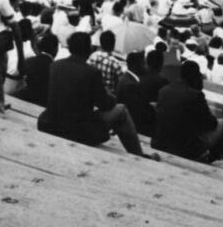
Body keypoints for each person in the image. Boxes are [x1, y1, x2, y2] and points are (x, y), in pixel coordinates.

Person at [37, 30, 155, 159]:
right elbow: (105, 105)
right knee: (121, 110)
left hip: (51, 124)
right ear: (88, 50)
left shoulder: (55, 66)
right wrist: (109, 93)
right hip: (77, 131)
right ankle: (138, 154)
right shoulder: (92, 73)